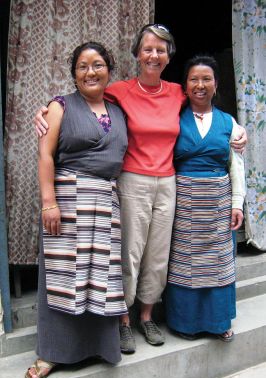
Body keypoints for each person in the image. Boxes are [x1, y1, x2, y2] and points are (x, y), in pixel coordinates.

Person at [34, 24, 247, 355]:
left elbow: (208, 112)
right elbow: (82, 97)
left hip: (169, 182)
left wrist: (238, 132)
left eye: (161, 50)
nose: (153, 55)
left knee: (158, 255)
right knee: (129, 252)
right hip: (133, 179)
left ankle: (147, 314)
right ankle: (123, 318)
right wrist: (46, 110)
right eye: (147, 48)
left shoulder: (179, 91)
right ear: (136, 54)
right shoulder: (119, 90)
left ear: (168, 57)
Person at [25, 41, 128, 378]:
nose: (90, 72)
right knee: (64, 277)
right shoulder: (60, 106)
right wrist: (48, 202)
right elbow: (46, 156)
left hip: (104, 205)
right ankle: (52, 353)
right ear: (73, 75)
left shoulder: (117, 110)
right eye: (82, 66)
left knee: (99, 278)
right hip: (68, 204)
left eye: (97, 64)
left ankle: (99, 346)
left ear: (109, 70)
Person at [164, 55, 246, 342]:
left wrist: (238, 203)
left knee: (218, 265)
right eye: (194, 79)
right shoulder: (173, 120)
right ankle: (184, 323)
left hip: (218, 205)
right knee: (184, 263)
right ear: (184, 86)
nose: (200, 85)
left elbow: (236, 166)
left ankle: (217, 321)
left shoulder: (228, 123)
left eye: (206, 79)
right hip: (183, 203)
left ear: (216, 84)